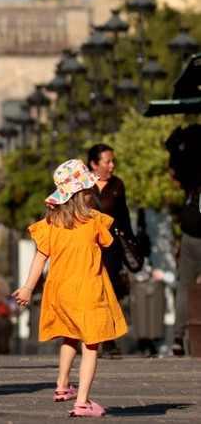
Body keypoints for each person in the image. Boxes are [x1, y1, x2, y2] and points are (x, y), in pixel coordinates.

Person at [13, 159, 128, 417]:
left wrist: (28, 288)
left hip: (59, 290)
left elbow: (40, 258)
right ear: (82, 193)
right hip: (88, 290)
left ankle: (62, 386)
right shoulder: (95, 221)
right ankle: (83, 402)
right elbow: (109, 243)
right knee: (91, 345)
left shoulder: (51, 224)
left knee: (70, 335)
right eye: (87, 190)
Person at [87, 143, 134, 358]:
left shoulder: (117, 184)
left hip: (112, 248)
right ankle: (89, 337)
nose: (112, 165)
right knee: (90, 293)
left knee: (109, 291)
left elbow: (123, 216)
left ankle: (107, 340)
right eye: (107, 161)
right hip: (88, 248)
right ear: (94, 164)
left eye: (113, 161)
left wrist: (131, 244)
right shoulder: (82, 185)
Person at [165, 124, 201, 356]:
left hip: (190, 230)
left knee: (185, 284)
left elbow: (174, 174)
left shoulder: (186, 161)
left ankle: (178, 336)